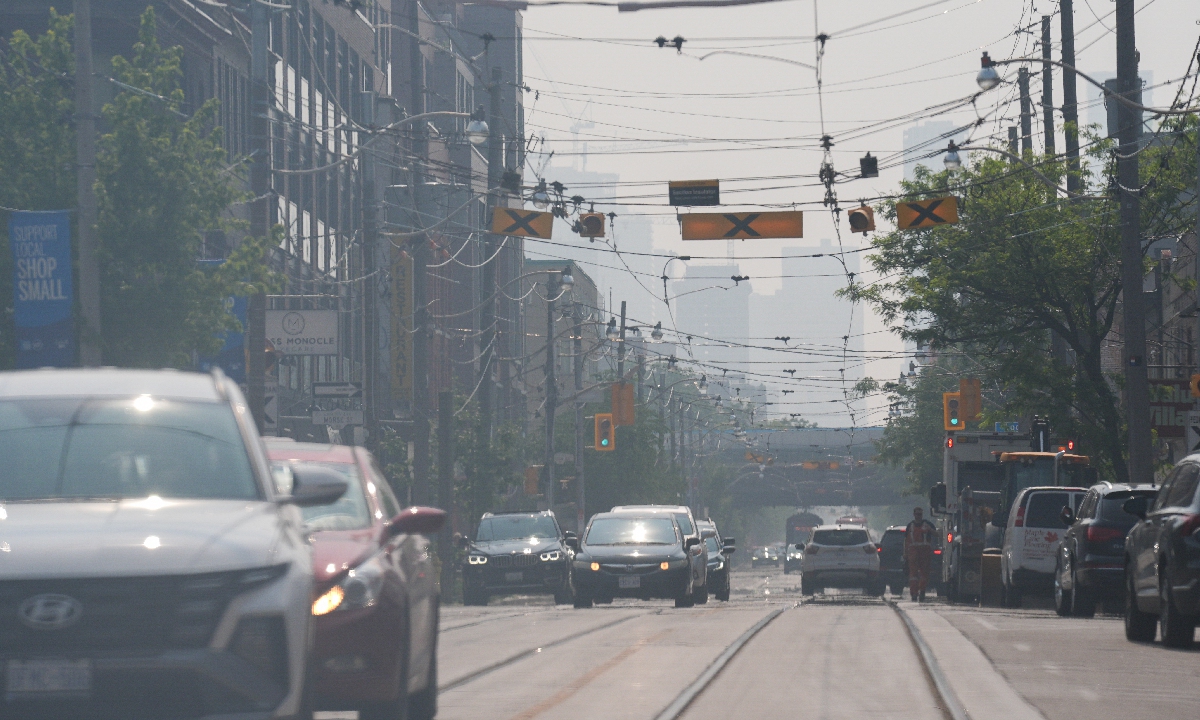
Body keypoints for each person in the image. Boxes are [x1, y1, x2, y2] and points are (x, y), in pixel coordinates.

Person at [905, 507, 937, 602]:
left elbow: (937, 534)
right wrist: (905, 553)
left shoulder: (927, 524)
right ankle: (914, 593)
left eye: (920, 514)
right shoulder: (910, 526)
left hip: (925, 553)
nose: (919, 516)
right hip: (913, 553)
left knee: (924, 574)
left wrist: (930, 530)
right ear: (914, 514)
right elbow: (905, 540)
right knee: (913, 575)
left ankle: (922, 591)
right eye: (917, 514)